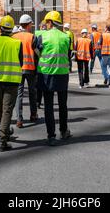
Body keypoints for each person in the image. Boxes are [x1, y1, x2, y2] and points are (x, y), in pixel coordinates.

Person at [0, 16, 23, 152]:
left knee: (0, 106)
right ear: (12, 29)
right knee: (7, 109)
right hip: (11, 80)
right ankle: (3, 139)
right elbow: (21, 62)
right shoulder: (17, 43)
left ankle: (5, 130)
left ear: (0, 28)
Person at [37, 11, 71, 146]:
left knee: (49, 107)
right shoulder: (66, 37)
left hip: (46, 74)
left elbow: (37, 52)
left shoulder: (42, 36)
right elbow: (68, 54)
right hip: (62, 74)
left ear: (50, 22)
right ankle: (64, 131)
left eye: (46, 22)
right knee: (63, 105)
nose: (45, 24)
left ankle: (51, 136)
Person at [13, 15, 39, 128]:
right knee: (32, 92)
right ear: (28, 24)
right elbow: (38, 53)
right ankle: (33, 115)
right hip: (30, 68)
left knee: (19, 94)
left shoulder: (14, 36)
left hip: (18, 69)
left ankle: (19, 119)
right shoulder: (32, 36)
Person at [35, 21, 47, 109]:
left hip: (39, 63)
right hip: (48, 64)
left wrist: (39, 55)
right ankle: (46, 102)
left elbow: (35, 48)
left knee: (38, 85)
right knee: (46, 85)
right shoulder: (48, 35)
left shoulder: (37, 34)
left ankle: (38, 102)